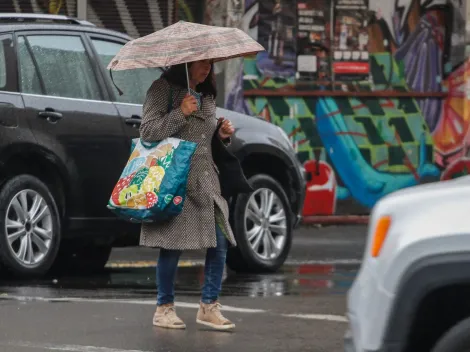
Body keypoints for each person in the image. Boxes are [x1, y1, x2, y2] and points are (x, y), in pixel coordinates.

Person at [139, 59, 238, 331]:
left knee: (220, 243)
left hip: (206, 181)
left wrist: (221, 134)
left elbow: (203, 138)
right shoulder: (163, 90)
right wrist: (179, 113)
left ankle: (209, 306)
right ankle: (164, 308)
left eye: (210, 63)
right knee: (172, 246)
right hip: (175, 181)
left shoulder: (206, 96)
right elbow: (147, 132)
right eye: (200, 63)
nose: (206, 68)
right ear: (185, 63)